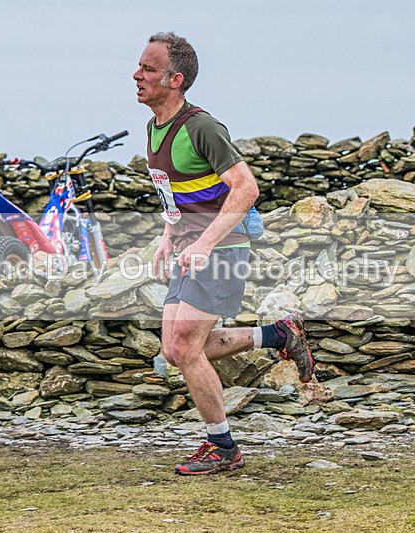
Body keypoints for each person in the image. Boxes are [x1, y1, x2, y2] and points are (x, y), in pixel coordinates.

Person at [134, 32, 314, 476]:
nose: (137, 75)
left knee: (183, 346)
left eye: (150, 69)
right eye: (140, 66)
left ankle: (223, 447)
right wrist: (166, 239)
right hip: (186, 250)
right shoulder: (155, 127)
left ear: (175, 79)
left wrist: (205, 243)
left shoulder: (202, 127)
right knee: (176, 351)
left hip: (220, 249)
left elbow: (246, 188)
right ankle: (276, 335)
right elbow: (174, 196)